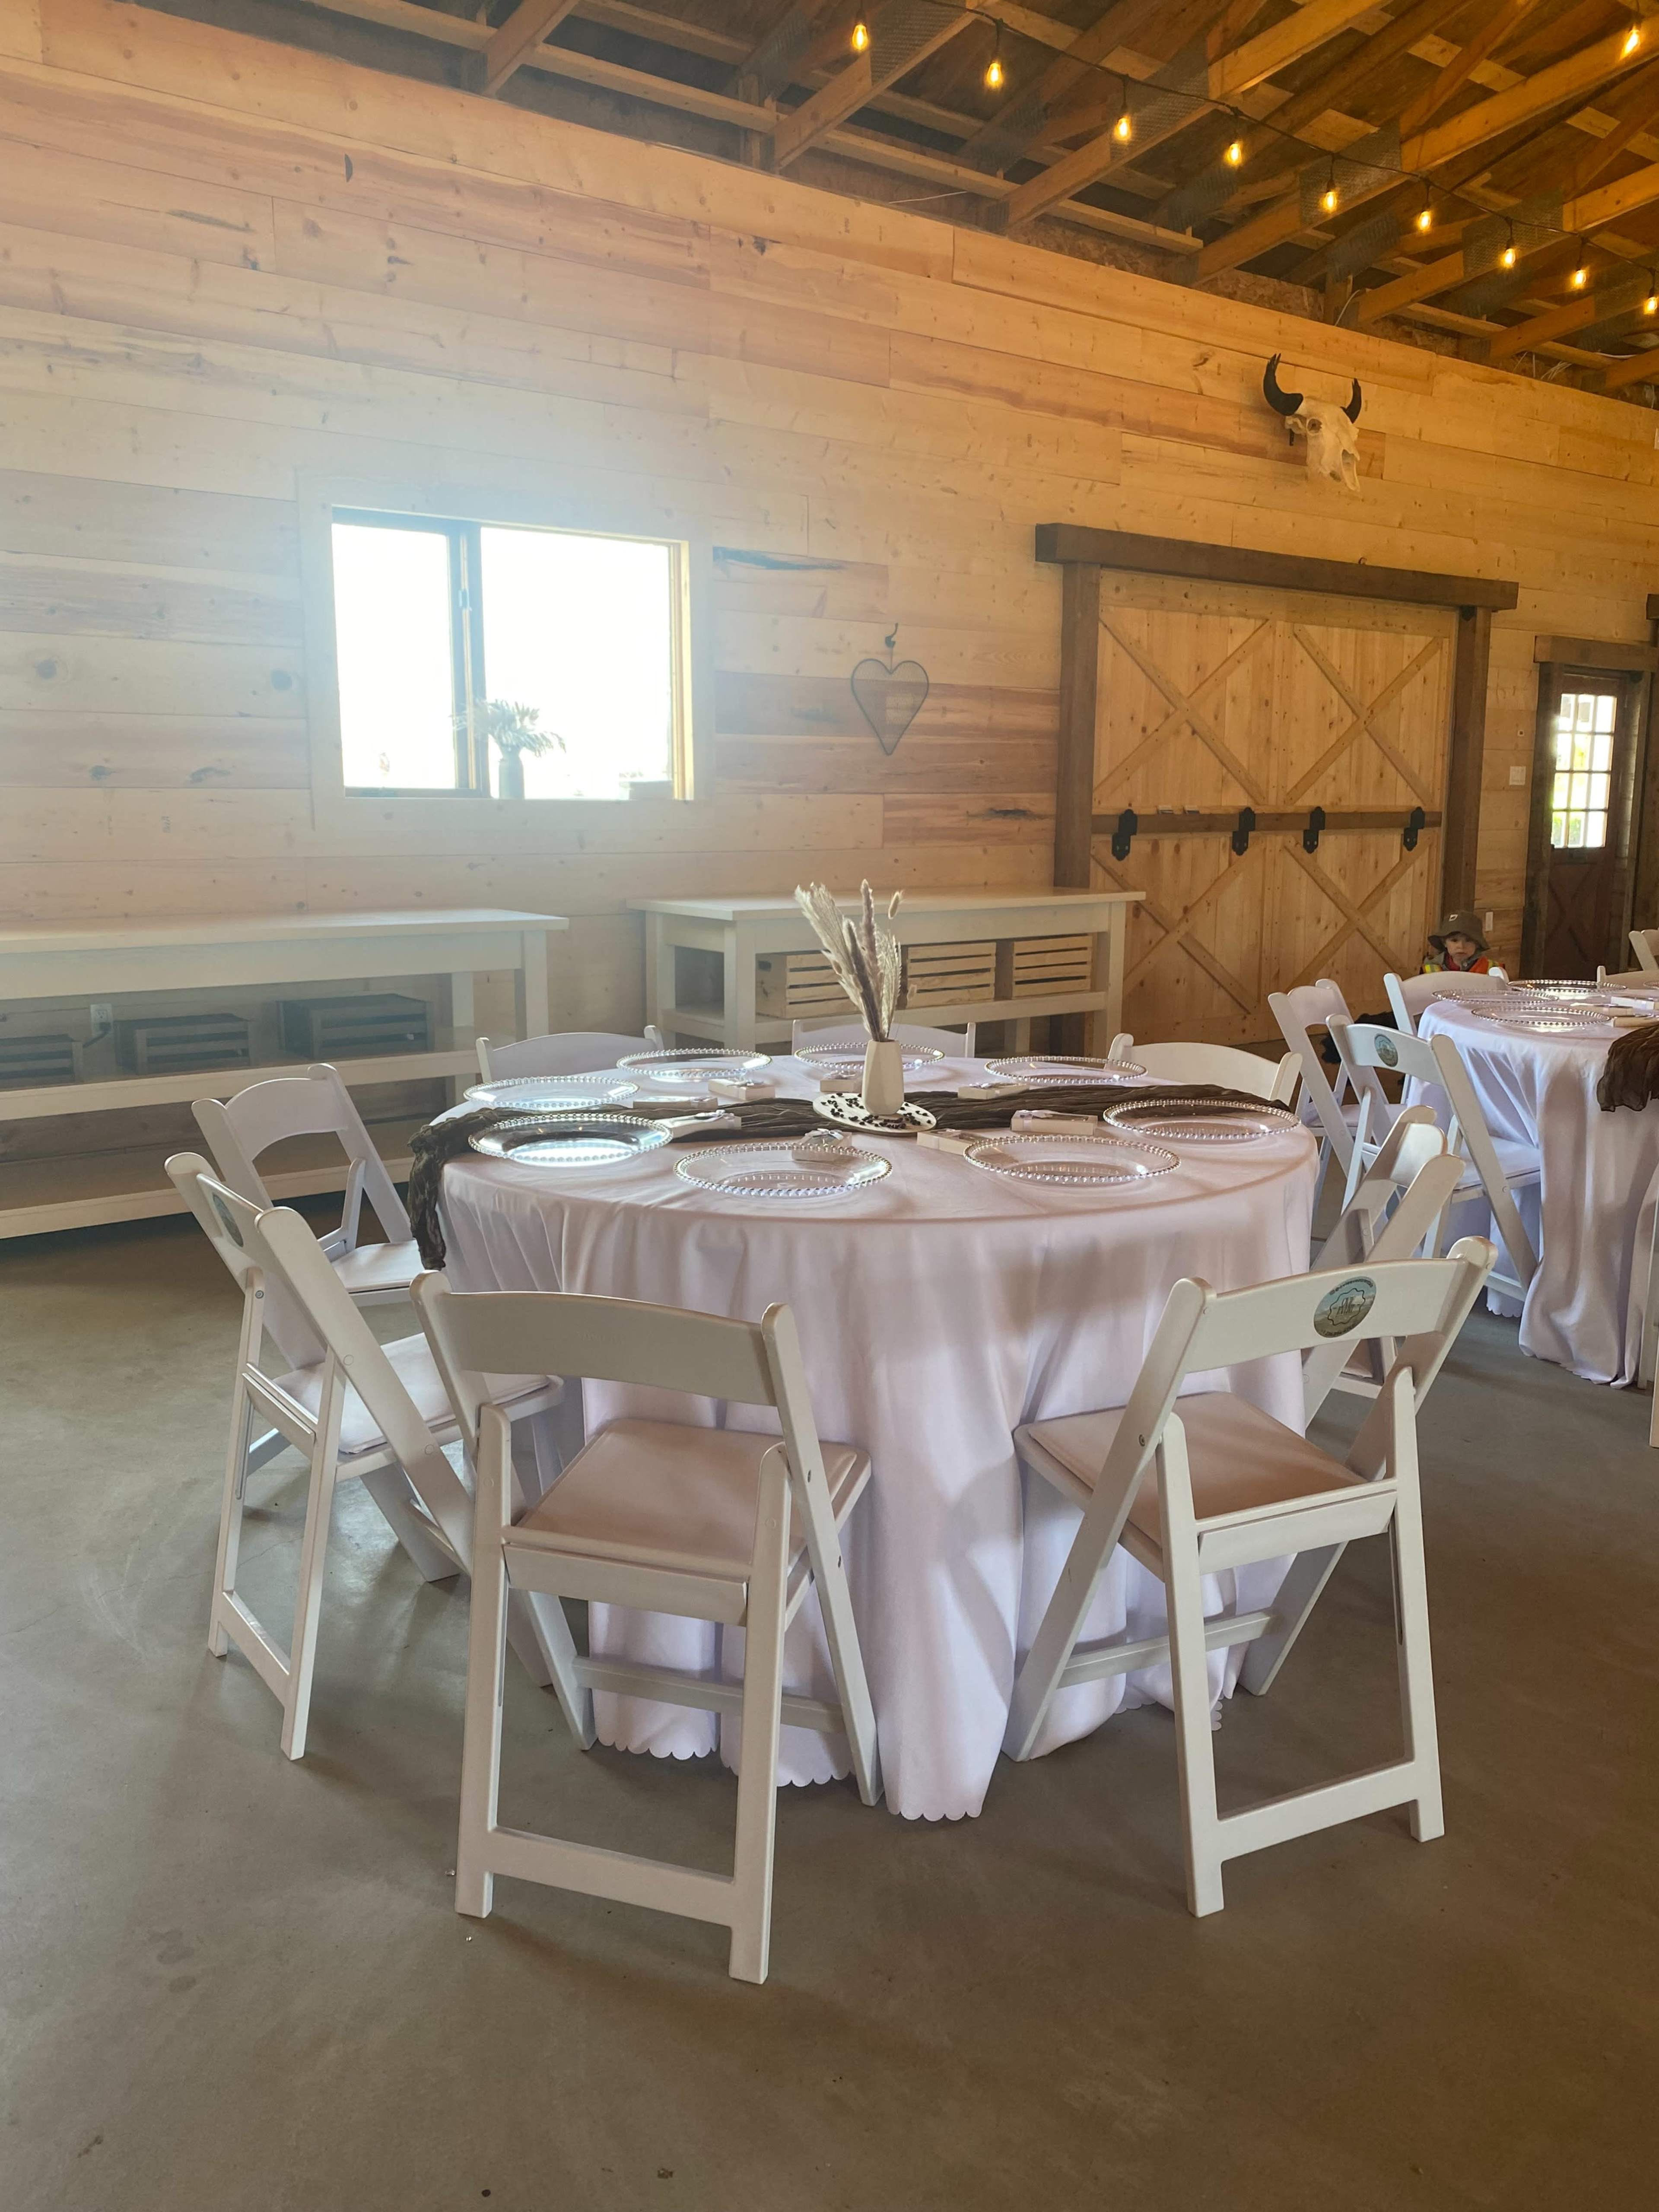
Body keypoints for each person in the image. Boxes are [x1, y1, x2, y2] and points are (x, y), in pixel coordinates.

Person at [1422, 909, 1493, 975]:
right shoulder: (1430, 969)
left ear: (1478, 944)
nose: (1461, 946)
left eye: (1469, 941)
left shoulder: (1493, 970)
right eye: (1454, 941)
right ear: (1444, 943)